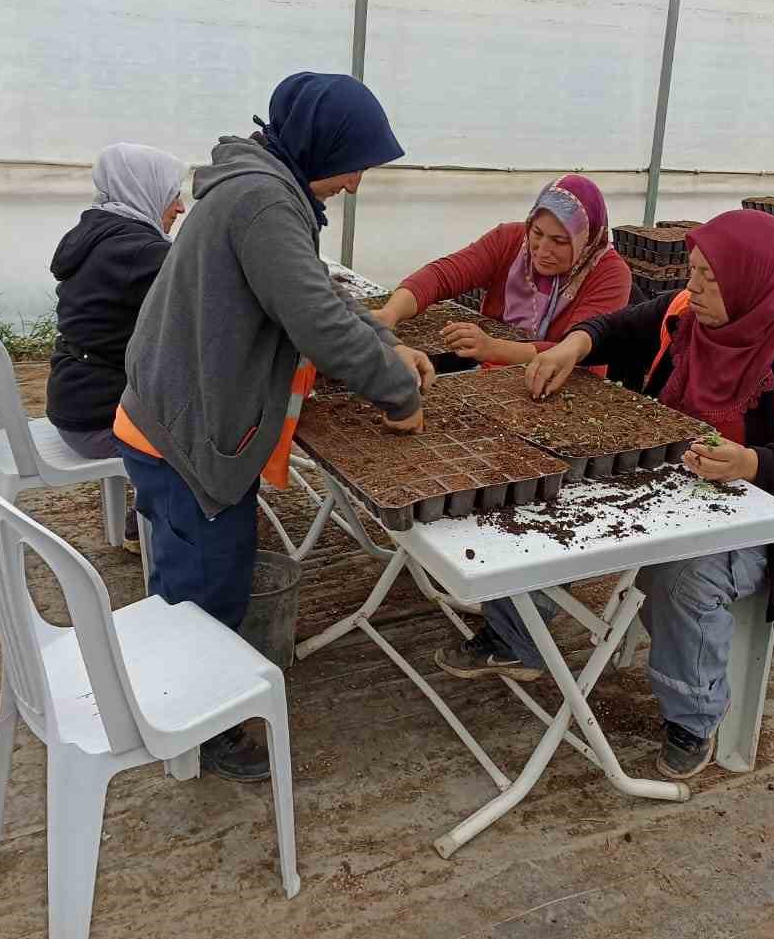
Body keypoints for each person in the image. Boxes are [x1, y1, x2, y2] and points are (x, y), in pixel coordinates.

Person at [435, 209, 774, 782]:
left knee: (686, 577)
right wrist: (568, 348)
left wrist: (749, 462)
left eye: (711, 278)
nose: (693, 288)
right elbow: (616, 327)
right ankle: (516, 638)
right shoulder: (686, 313)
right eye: (694, 271)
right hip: (676, 481)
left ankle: (694, 716)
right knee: (541, 499)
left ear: (753, 280)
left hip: (770, 524)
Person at [113, 72, 435, 783]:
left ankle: (184, 705)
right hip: (185, 434)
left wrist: (385, 341)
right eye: (356, 163)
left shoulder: (261, 187)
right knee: (205, 591)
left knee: (193, 575)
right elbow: (315, 322)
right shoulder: (263, 202)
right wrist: (397, 396)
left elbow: (311, 289)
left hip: (171, 414)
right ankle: (196, 731)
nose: (355, 183)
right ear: (324, 147)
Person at [46, 143, 188, 549]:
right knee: (213, 426)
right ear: (145, 189)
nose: (179, 208)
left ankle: (147, 514)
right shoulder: (142, 252)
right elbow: (203, 307)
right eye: (172, 194)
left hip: (74, 401)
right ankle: (166, 528)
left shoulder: (98, 232)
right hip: (100, 424)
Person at [373, 175, 631, 367]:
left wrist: (493, 348)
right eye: (537, 233)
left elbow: (573, 350)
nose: (542, 249)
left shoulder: (610, 274)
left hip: (571, 383)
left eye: (560, 241)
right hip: (496, 371)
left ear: (585, 240)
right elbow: (442, 275)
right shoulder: (510, 240)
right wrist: (390, 313)